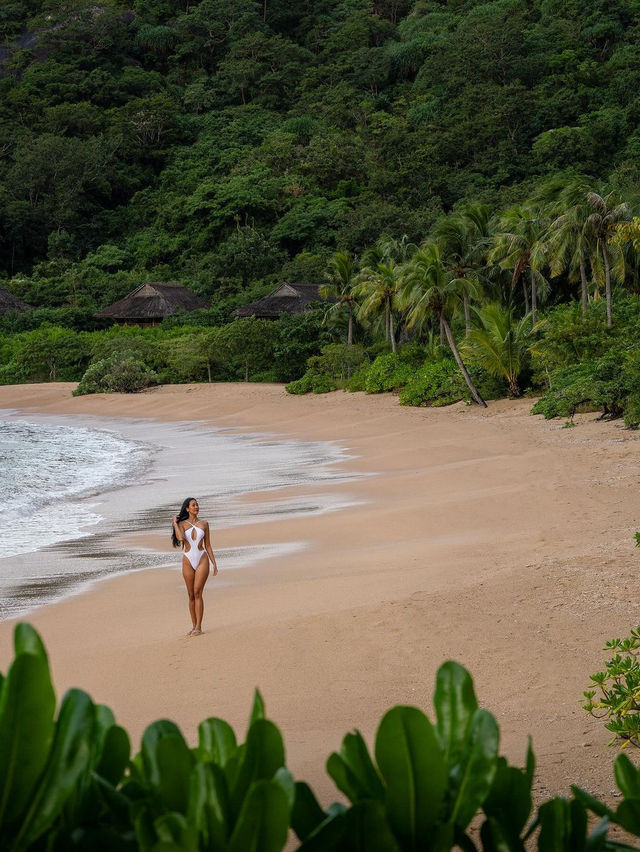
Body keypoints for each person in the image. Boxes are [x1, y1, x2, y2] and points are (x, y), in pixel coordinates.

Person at [172, 497, 218, 636]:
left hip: (201, 558)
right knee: (191, 595)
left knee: (198, 592)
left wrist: (214, 563)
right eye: (193, 505)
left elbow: (208, 545)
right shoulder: (181, 524)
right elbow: (180, 538)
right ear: (187, 508)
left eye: (197, 505)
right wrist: (175, 522)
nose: (196, 507)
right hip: (187, 559)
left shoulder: (204, 524)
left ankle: (199, 626)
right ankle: (193, 626)